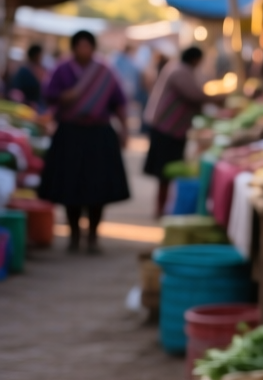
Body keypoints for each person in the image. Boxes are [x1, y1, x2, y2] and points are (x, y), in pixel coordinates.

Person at [40, 30, 131, 253]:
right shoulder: (62, 70)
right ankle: (73, 235)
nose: (84, 50)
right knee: (70, 187)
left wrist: (125, 128)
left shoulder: (105, 71)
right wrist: (64, 97)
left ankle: (92, 236)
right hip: (70, 134)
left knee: (97, 188)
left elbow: (119, 102)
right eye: (80, 46)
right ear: (74, 48)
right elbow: (49, 95)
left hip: (98, 135)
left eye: (87, 45)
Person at [143, 46, 224, 219]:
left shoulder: (178, 68)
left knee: (167, 172)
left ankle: (164, 207)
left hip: (170, 128)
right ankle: (160, 209)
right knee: (165, 171)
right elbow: (194, 95)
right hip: (167, 129)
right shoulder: (180, 71)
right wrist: (219, 98)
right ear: (195, 59)